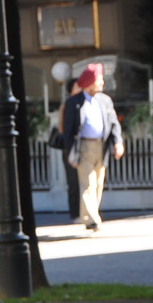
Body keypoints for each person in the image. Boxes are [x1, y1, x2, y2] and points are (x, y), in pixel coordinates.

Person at [68, 64, 124, 231]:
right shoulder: (74, 102)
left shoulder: (105, 100)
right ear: (90, 82)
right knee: (87, 183)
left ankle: (92, 213)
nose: (101, 82)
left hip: (101, 146)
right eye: (99, 79)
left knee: (99, 183)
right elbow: (69, 131)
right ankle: (91, 219)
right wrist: (71, 154)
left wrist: (118, 142)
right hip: (83, 146)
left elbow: (114, 123)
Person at [56, 78, 86, 220]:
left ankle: (86, 212)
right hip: (71, 147)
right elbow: (62, 128)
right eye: (77, 88)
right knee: (73, 182)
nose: (80, 90)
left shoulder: (85, 102)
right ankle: (75, 213)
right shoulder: (67, 105)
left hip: (85, 147)